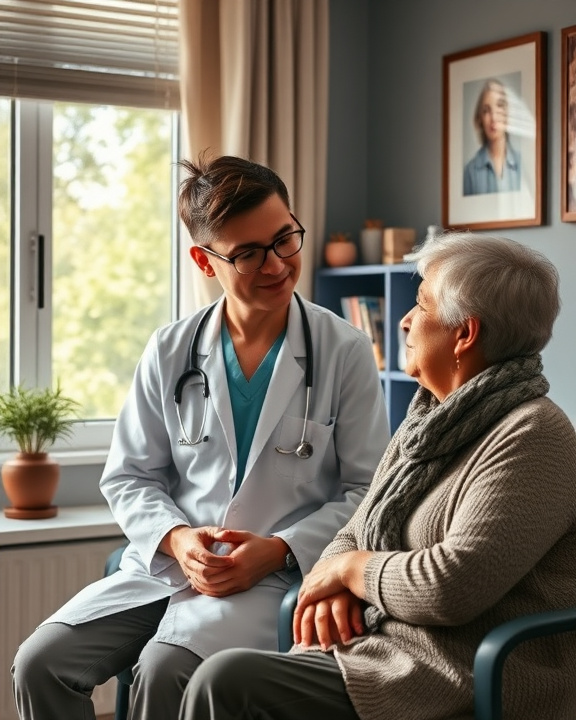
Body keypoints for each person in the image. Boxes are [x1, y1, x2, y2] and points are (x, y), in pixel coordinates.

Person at [11, 154, 390, 720]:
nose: (277, 264)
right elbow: (130, 474)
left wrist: (280, 549)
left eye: (285, 238)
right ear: (204, 259)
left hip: (269, 580)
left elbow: (369, 492)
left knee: (167, 671)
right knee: (39, 662)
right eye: (248, 253)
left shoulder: (345, 351)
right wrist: (177, 539)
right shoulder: (170, 350)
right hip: (166, 569)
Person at [179, 231, 576, 720]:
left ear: (465, 334)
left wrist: (348, 572)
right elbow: (354, 530)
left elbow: (452, 586)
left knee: (226, 682)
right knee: (223, 677)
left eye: (421, 306)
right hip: (379, 649)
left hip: (460, 673)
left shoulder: (534, 435)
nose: (405, 321)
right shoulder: (430, 420)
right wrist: (338, 579)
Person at [463, 78, 521, 195]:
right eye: (486, 110)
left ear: (507, 112)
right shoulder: (470, 171)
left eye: (499, 106)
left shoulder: (522, 164)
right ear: (480, 119)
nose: (493, 118)